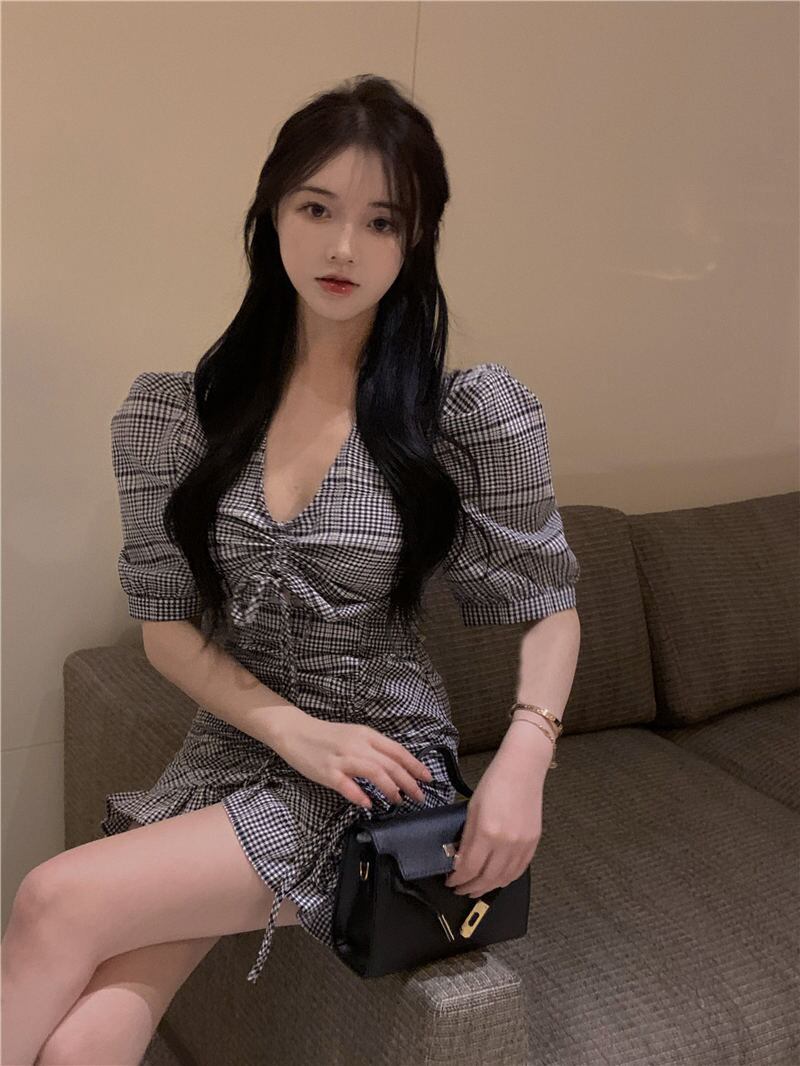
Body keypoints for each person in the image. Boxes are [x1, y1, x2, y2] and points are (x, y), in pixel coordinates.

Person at [0, 74, 580, 1066]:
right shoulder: (181, 414)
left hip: (375, 765)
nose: (343, 247)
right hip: (241, 736)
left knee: (54, 899)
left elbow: (547, 605)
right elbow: (166, 628)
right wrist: (286, 729)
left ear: (416, 239)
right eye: (316, 209)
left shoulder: (461, 418)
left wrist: (526, 756)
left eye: (381, 221)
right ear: (270, 215)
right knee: (91, 1027)